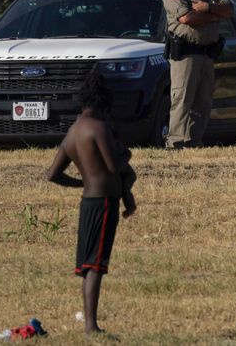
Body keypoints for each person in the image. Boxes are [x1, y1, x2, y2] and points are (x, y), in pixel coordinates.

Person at [45, 72, 136, 334]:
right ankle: (91, 325)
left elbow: (52, 175)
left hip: (88, 202)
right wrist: (126, 154)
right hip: (105, 203)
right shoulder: (99, 128)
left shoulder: (73, 132)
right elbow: (112, 166)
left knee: (88, 265)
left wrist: (81, 183)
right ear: (103, 103)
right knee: (96, 264)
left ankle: (89, 322)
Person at [161, 0, 233, 149]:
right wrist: (214, 15)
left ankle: (193, 142)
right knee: (182, 99)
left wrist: (208, 7)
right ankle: (175, 142)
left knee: (203, 102)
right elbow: (187, 18)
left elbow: (229, 10)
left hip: (207, 53)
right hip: (186, 54)